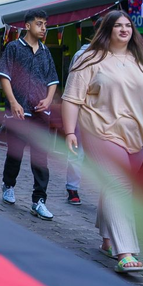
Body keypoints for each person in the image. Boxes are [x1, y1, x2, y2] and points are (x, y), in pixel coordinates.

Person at [61, 11, 143, 272]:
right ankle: (126, 250)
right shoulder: (90, 60)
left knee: (114, 184)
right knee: (119, 184)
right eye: (117, 26)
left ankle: (106, 239)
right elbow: (72, 99)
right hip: (100, 130)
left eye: (128, 25)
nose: (124, 29)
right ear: (107, 30)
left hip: (138, 134)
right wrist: (70, 131)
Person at [0, 9, 59, 221]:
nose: (43, 28)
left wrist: (49, 99)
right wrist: (13, 102)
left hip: (41, 113)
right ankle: (8, 185)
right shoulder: (13, 48)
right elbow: (4, 77)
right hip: (19, 112)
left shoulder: (45, 52)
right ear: (28, 26)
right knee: (15, 153)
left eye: (45, 24)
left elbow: (52, 81)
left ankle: (39, 200)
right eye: (40, 24)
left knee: (41, 158)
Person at [63, 39, 91, 206]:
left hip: (108, 115)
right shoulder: (82, 55)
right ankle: (72, 187)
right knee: (77, 150)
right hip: (83, 110)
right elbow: (73, 85)